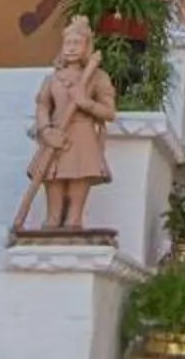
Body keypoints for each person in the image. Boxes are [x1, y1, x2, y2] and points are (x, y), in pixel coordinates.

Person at [22, 14, 118, 230]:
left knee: (78, 175)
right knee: (52, 175)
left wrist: (86, 103)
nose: (72, 48)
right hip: (56, 131)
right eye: (68, 43)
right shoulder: (53, 79)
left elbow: (109, 112)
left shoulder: (97, 77)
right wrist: (45, 129)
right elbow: (43, 105)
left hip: (82, 133)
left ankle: (74, 218)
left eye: (77, 43)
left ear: (87, 46)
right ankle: (53, 217)